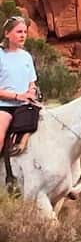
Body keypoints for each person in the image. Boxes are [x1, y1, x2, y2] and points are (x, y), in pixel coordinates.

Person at [0, 15, 38, 151]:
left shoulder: (27, 57)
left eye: (25, 32)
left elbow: (32, 83)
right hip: (3, 106)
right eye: (19, 32)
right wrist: (17, 96)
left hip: (25, 106)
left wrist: (31, 92)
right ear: (7, 34)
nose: (23, 35)